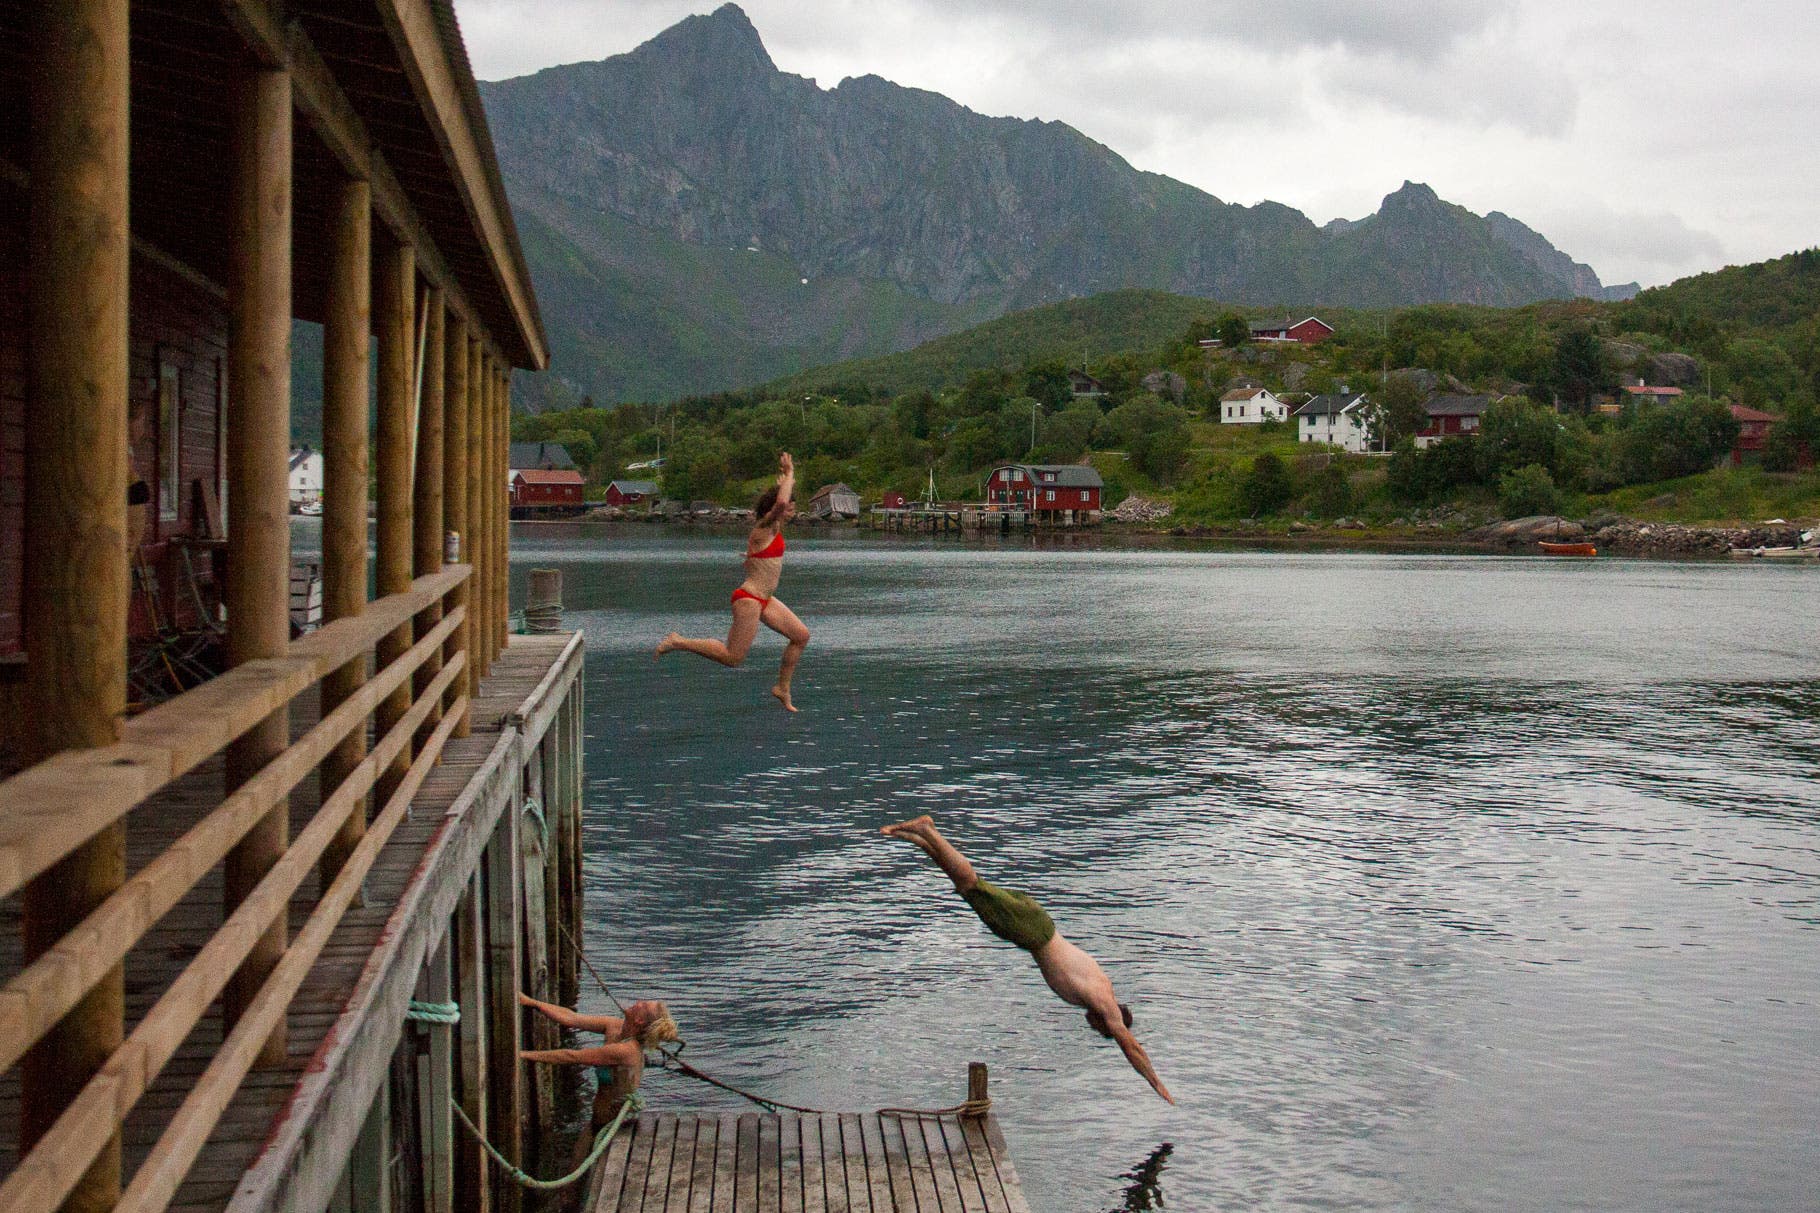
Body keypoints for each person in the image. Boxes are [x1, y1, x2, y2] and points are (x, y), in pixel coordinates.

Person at [881, 815, 1174, 1104]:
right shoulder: (1105, 1004)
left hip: (1035, 923)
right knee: (970, 884)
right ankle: (927, 831)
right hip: (1032, 930)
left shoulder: (1102, 989)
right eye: (1102, 1030)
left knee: (968, 888)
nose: (1095, 1028)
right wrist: (1155, 1082)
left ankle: (920, 838)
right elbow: (1131, 1048)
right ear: (1111, 1021)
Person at [656, 451, 810, 711]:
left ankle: (782, 687)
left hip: (765, 599)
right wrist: (791, 474)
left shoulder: (774, 529)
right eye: (790, 507)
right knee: (733, 657)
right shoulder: (764, 527)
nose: (793, 511)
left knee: (801, 636)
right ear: (773, 509)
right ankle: (678, 641)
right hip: (749, 599)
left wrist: (784, 478)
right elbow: (781, 504)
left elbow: (780, 505)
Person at [519, 993, 679, 1131]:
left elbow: (572, 1056)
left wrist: (523, 1054)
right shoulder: (615, 1026)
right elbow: (571, 1018)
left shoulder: (626, 1051)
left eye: (643, 1005)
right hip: (598, 1120)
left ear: (639, 1021)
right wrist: (530, 1002)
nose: (638, 1002)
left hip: (615, 1125)